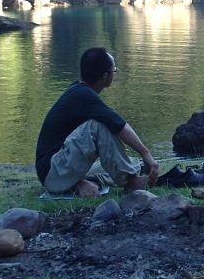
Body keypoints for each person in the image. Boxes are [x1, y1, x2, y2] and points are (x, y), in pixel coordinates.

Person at [35, 47, 160, 197]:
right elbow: (118, 124)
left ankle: (83, 183)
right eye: (114, 71)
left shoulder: (79, 90)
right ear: (105, 76)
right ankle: (131, 181)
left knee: (131, 163)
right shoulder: (83, 95)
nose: (114, 74)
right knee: (98, 126)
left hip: (58, 169)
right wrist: (146, 153)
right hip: (53, 173)